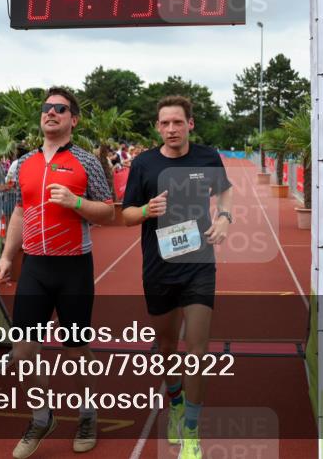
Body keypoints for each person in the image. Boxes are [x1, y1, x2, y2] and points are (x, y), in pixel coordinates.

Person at [0, 87, 114, 458]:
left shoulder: (87, 162)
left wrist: (76, 202)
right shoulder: (23, 163)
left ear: (73, 119)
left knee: (76, 349)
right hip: (35, 265)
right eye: (47, 108)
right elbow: (18, 212)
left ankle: (87, 413)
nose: (51, 113)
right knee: (24, 347)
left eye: (60, 109)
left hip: (74, 264)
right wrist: (8, 257)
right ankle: (42, 417)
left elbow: (108, 211)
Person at [122, 96, 233, 459]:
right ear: (157, 127)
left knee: (197, 351)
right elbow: (125, 215)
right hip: (158, 268)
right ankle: (175, 403)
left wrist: (223, 218)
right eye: (164, 123)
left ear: (190, 124)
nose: (171, 129)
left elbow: (225, 192)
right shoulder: (144, 164)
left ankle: (191, 430)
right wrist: (144, 210)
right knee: (168, 347)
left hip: (199, 264)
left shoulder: (207, 157)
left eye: (177, 122)